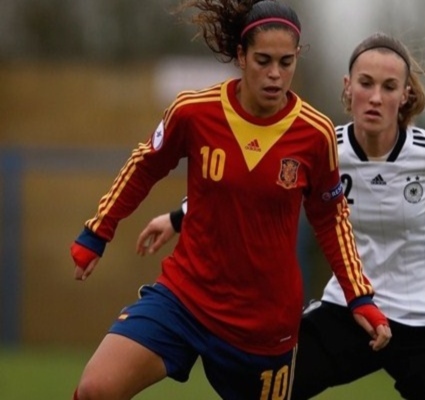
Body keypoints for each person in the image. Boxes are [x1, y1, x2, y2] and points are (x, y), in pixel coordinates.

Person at [138, 32, 425, 400]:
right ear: (347, 87)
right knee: (261, 390)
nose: (375, 97)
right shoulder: (318, 147)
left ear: (405, 95)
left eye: (388, 87)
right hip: (348, 313)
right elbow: (249, 184)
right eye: (366, 83)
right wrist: (179, 218)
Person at [69, 1, 392, 399]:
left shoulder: (315, 133)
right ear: (240, 57)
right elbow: (145, 166)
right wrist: (98, 230)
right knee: (95, 389)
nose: (275, 74)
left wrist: (359, 296)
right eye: (263, 60)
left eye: (286, 62)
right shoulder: (194, 112)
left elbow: (331, 218)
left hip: (263, 327)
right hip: (185, 299)